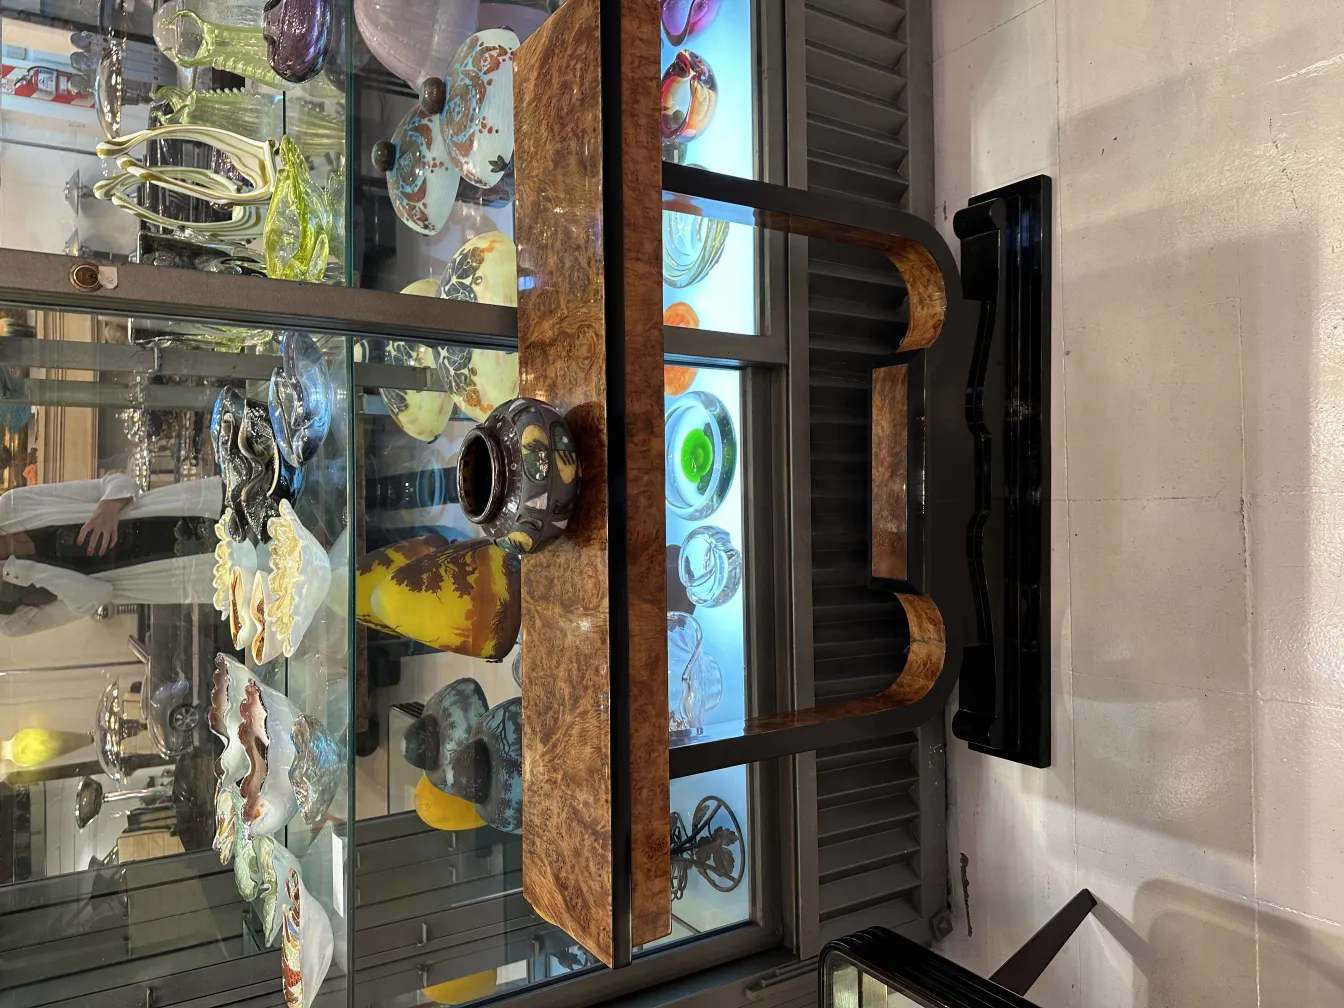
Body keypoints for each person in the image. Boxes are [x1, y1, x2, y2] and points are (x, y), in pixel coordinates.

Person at [0, 472, 223, 636]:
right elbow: (98, 595)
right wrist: (24, 571)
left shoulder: (10, 506)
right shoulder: (8, 618)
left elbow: (118, 481)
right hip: (176, 574)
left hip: (189, 509)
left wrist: (108, 507)